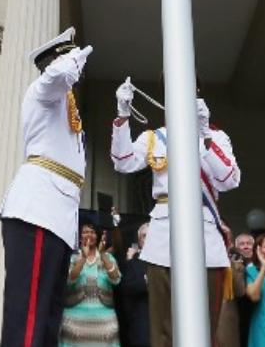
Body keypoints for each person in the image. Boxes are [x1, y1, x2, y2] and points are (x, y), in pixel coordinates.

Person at [110, 77, 241, 346]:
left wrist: (204, 135)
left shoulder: (215, 136)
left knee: (206, 327)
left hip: (204, 231)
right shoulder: (155, 138)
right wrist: (123, 116)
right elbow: (122, 162)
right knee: (163, 331)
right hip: (162, 235)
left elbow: (229, 180)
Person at [0, 26, 93, 347]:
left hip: (58, 212)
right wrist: (70, 61)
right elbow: (55, 78)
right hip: (37, 208)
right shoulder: (43, 89)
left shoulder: (65, 106)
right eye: (68, 56)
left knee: (49, 319)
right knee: (27, 320)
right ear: (55, 61)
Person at [61, 219, 121, 347]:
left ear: (98, 235)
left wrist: (103, 254)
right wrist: (83, 258)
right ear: (80, 235)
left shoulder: (108, 258)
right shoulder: (72, 257)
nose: (89, 235)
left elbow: (116, 279)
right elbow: (70, 279)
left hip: (104, 326)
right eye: (85, 232)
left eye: (92, 232)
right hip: (75, 325)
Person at [115, 224, 151, 347]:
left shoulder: (168, 261)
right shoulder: (132, 263)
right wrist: (147, 283)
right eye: (144, 236)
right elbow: (126, 288)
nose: (148, 238)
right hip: (141, 327)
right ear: (139, 241)